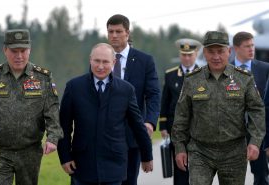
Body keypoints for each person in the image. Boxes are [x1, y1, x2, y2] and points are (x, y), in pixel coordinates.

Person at [0, 29, 63, 185]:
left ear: (29, 50)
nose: (19, 56)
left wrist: (53, 138)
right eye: (14, 51)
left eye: (23, 51)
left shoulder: (43, 78)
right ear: (5, 50)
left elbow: (52, 112)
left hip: (30, 152)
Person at [171, 31, 266, 185]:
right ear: (204, 53)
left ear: (229, 51)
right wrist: (180, 147)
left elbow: (257, 109)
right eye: (211, 52)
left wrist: (255, 141)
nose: (216, 57)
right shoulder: (192, 80)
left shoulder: (244, 78)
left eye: (220, 51)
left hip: (234, 152)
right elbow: (182, 115)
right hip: (200, 151)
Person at [57, 43, 153, 185]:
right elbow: (64, 126)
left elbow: (137, 126)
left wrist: (147, 156)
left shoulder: (126, 90)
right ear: (90, 60)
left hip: (113, 164)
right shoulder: (74, 87)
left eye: (105, 62)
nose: (100, 66)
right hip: (82, 164)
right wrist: (65, 157)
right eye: (97, 61)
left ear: (113, 62)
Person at [106, 14, 160, 185]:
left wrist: (150, 122)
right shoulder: (101, 59)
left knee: (129, 181)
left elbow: (153, 95)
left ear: (127, 33)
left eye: (118, 31)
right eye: (110, 31)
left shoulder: (144, 61)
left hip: (133, 133)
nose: (114, 35)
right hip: (105, 134)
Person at [159, 38, 201, 185]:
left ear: (196, 54)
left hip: (198, 129)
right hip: (176, 129)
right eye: (184, 54)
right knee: (180, 168)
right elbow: (165, 101)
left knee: (198, 169)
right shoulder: (170, 75)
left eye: (190, 55)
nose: (187, 58)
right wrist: (163, 126)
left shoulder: (203, 74)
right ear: (180, 55)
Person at [231, 31, 269, 185]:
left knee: (261, 177)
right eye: (247, 46)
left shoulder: (265, 69)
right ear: (236, 48)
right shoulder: (225, 70)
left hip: (258, 134)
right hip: (232, 135)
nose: (251, 49)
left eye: (252, 45)